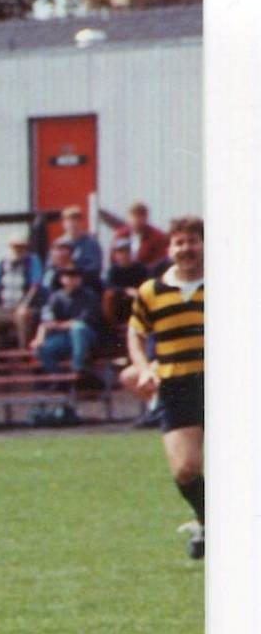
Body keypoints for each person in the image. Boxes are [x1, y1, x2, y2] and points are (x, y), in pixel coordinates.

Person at [124, 216, 204, 559]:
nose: (186, 249)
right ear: (170, 248)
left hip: (223, 384)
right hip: (176, 385)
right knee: (185, 469)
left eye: (192, 241)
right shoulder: (151, 291)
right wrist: (144, 368)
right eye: (179, 243)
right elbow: (135, 334)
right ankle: (208, 521)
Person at [31, 267, 102, 377]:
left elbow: (83, 320)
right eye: (68, 277)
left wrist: (58, 325)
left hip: (87, 336)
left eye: (75, 277)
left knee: (78, 328)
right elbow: (47, 320)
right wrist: (39, 338)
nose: (72, 280)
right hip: (65, 338)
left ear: (80, 279)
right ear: (62, 279)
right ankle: (58, 377)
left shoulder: (89, 295)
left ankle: (77, 368)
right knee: (40, 349)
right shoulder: (56, 296)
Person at [113, 200, 169, 271]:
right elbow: (114, 258)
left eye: (140, 217)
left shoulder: (157, 236)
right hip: (122, 273)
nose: (137, 220)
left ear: (146, 218)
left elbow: (159, 261)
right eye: (134, 217)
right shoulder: (121, 234)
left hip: (147, 274)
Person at [56, 205, 104, 279]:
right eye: (69, 221)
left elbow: (96, 267)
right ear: (63, 224)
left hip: (86, 282)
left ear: (81, 222)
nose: (73, 224)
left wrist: (76, 271)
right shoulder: (58, 244)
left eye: (76, 220)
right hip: (63, 281)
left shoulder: (92, 243)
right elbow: (50, 270)